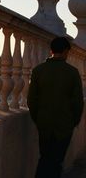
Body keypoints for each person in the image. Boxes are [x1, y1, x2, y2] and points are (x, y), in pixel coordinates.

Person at [28, 37, 84, 178]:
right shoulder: (72, 72)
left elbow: (31, 100)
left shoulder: (38, 70)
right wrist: (74, 121)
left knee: (45, 158)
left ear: (51, 50)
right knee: (57, 161)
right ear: (66, 51)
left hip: (44, 123)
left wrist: (38, 118)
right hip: (64, 124)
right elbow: (77, 102)